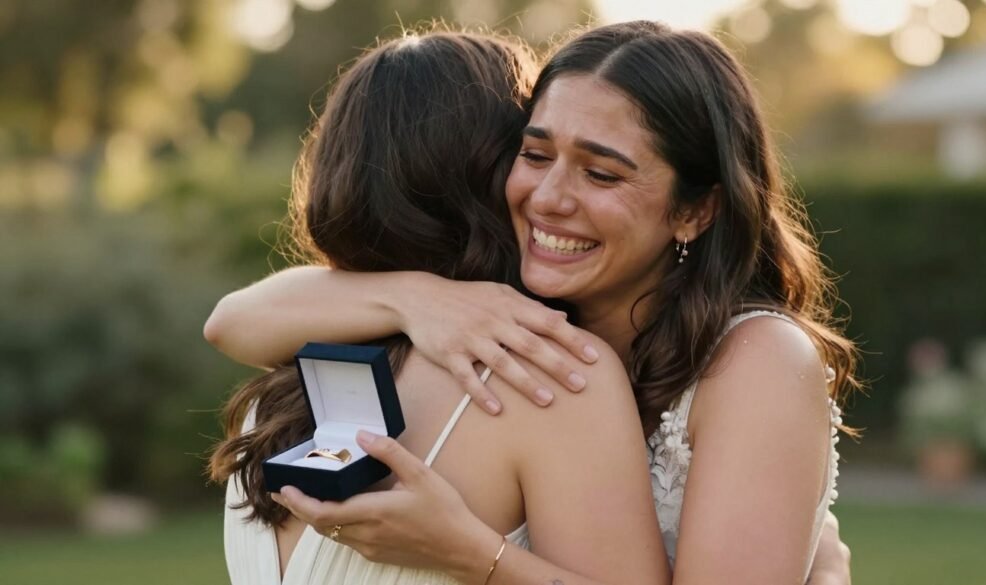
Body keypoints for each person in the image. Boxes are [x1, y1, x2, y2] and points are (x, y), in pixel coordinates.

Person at [206, 21, 857, 585]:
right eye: (534, 153)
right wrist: (414, 297)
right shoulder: (502, 337)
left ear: (695, 210)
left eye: (601, 173)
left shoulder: (756, 358)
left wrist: (475, 554)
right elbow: (231, 319)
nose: (548, 196)